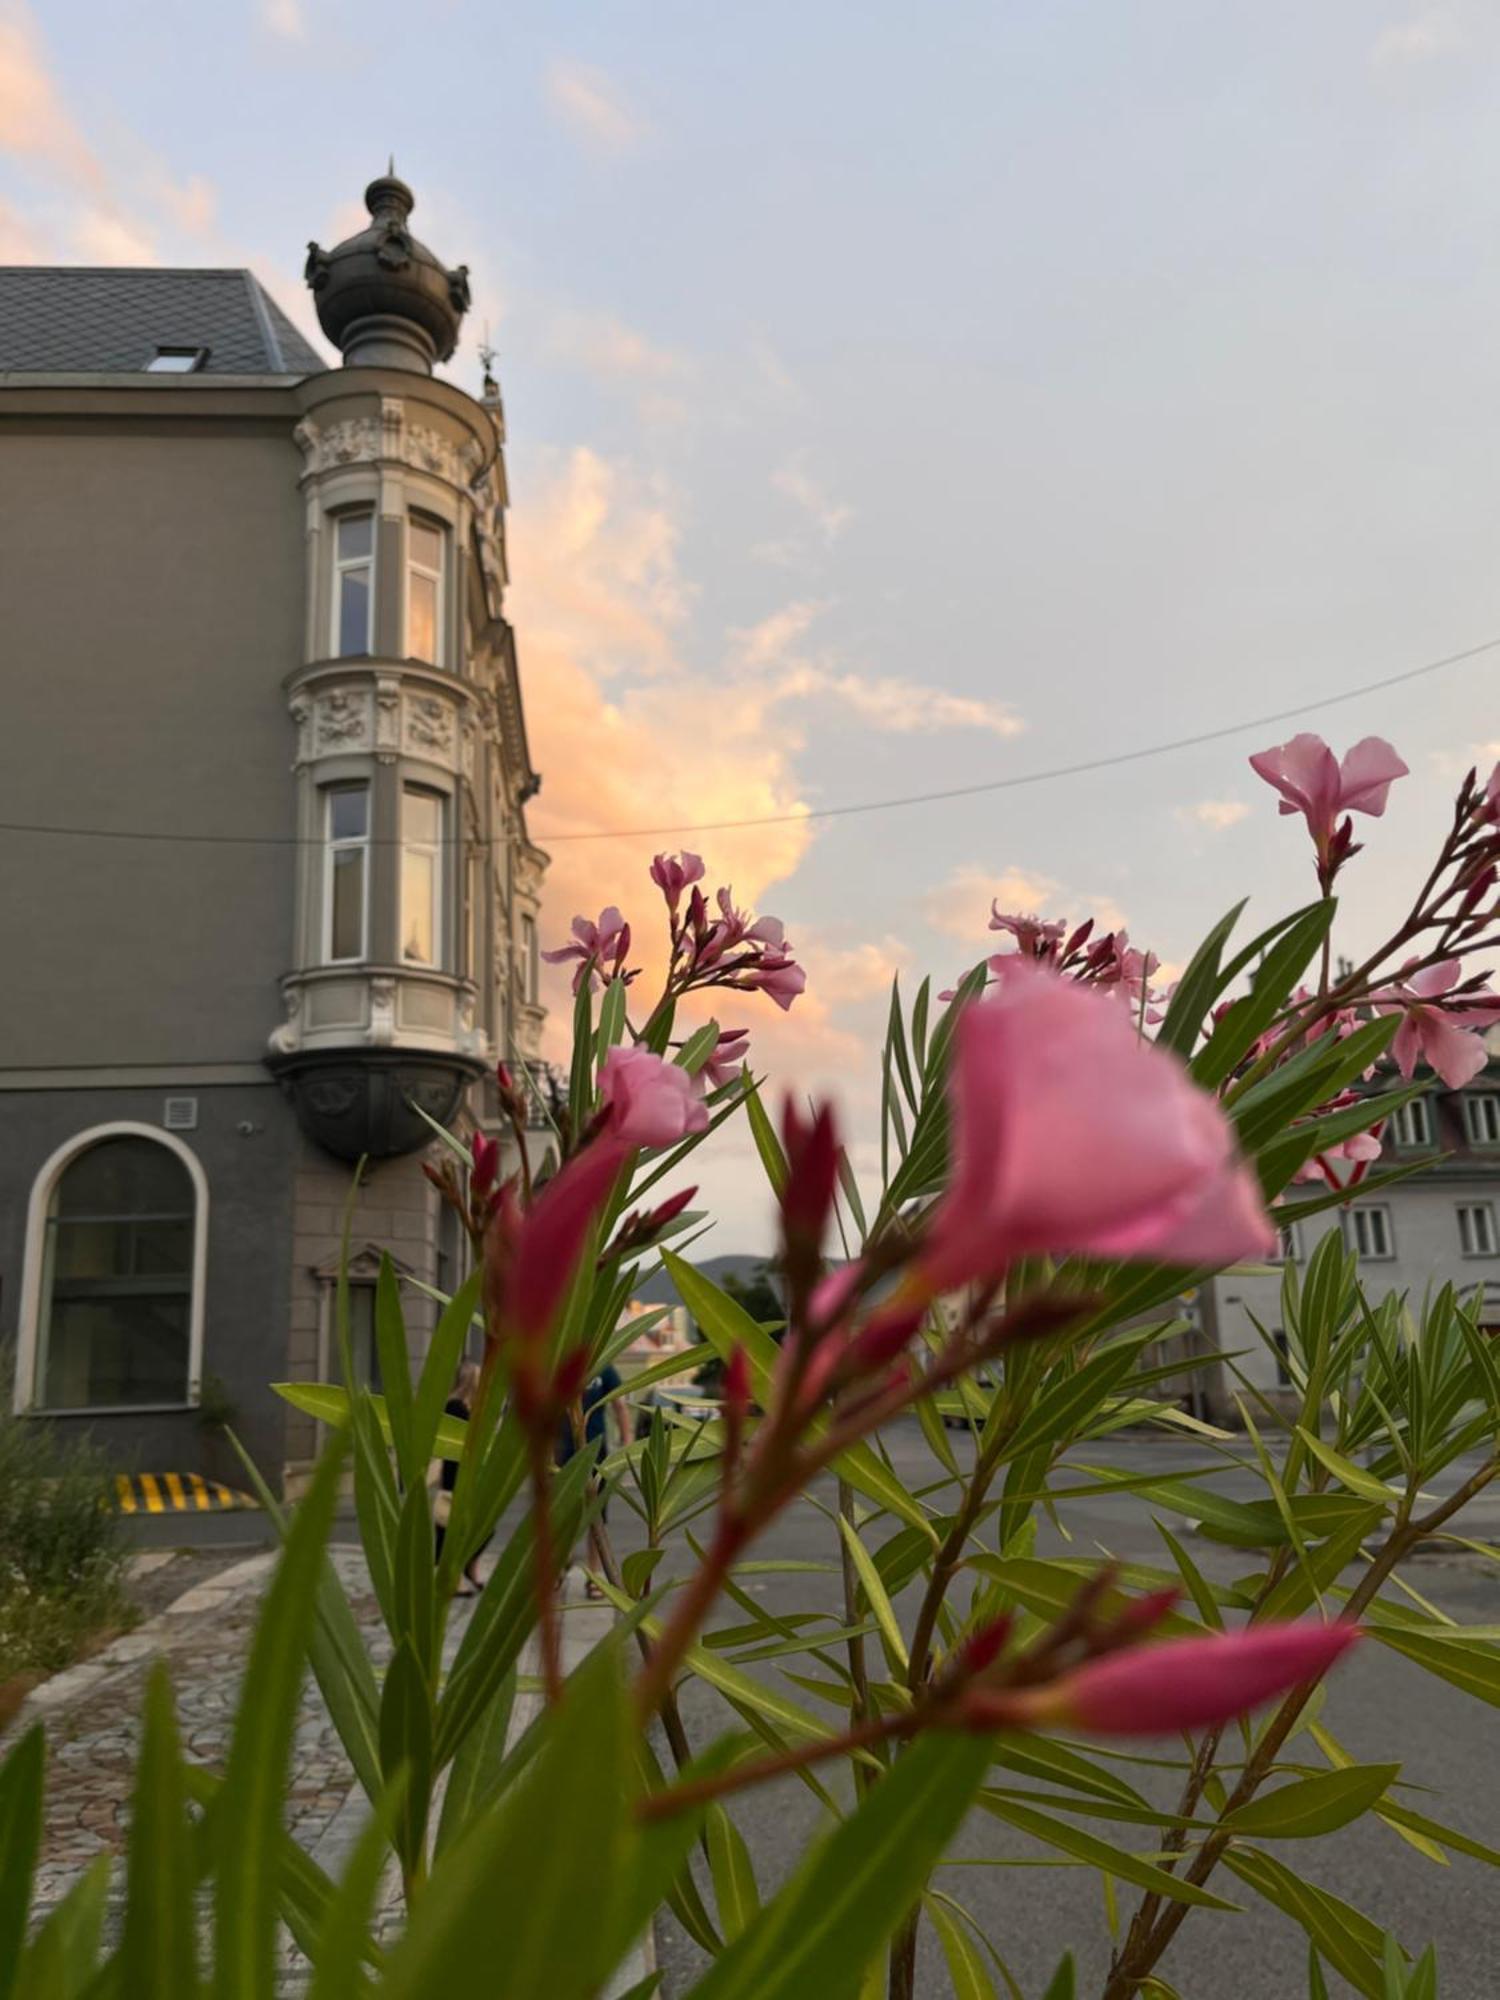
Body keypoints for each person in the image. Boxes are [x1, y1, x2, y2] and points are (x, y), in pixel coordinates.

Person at [556, 1362, 635, 1599]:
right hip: (563, 1452)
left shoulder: (605, 1369)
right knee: (562, 1514)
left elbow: (620, 1406)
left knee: (596, 1516)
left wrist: (627, 1440)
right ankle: (560, 1569)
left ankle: (594, 1575)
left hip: (596, 1453)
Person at [434, 1358, 486, 1597]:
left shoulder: (467, 1406)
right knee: (450, 1533)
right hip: (455, 1476)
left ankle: (468, 1572)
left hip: (465, 1476)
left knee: (478, 1529)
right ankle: (455, 1579)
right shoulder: (456, 1407)